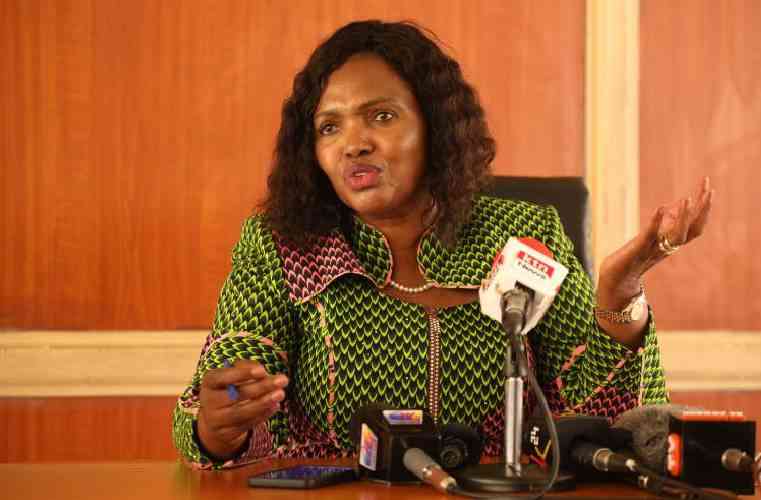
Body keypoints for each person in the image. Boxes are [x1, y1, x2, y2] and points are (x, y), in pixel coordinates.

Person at [172, 20, 713, 469]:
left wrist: (620, 297)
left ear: (435, 126)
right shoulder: (282, 245)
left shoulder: (526, 237)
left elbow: (610, 422)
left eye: (381, 116)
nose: (354, 144)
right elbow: (213, 407)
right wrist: (217, 428)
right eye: (329, 127)